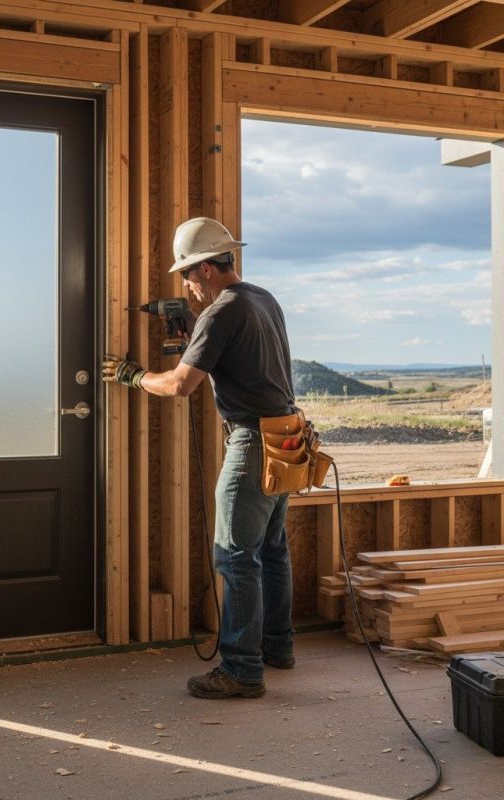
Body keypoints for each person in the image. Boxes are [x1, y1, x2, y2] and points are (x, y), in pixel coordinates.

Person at [103, 217, 295, 700]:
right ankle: (276, 647)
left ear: (208, 268)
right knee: (271, 548)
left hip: (252, 442)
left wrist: (132, 375)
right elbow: (243, 356)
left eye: (187, 274)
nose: (186, 286)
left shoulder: (220, 314)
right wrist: (199, 334)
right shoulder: (261, 298)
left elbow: (180, 385)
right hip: (286, 436)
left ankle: (242, 670)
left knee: (234, 556)